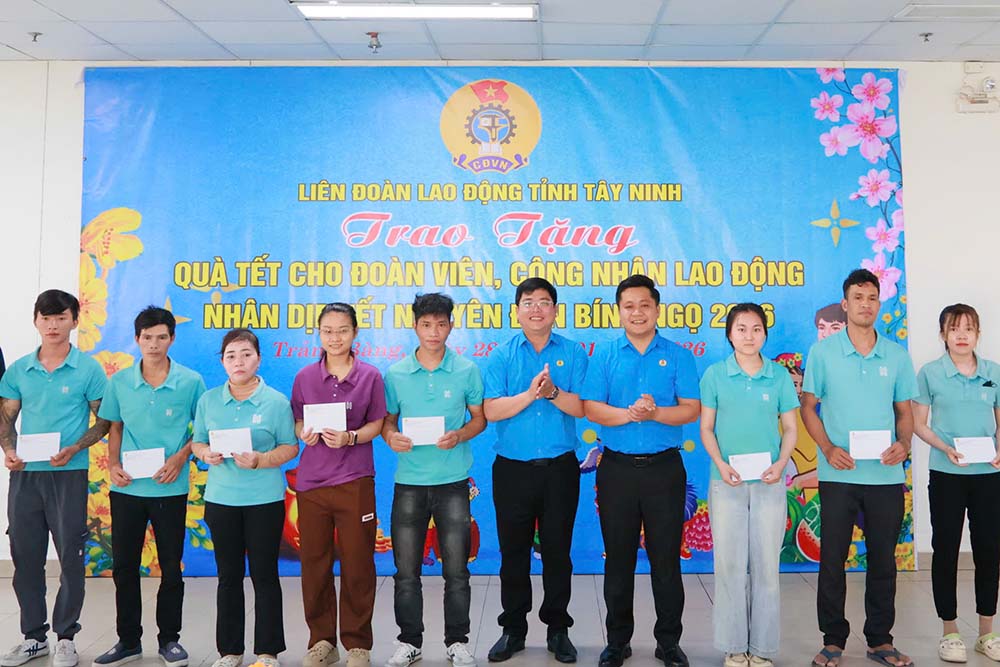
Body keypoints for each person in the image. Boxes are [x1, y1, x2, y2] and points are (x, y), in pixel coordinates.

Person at [580, 274, 700, 667]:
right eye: (628, 306)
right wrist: (628, 415)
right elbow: (591, 408)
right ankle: (618, 641)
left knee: (667, 559)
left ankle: (669, 641)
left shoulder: (679, 355)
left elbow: (691, 409)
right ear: (619, 311)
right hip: (616, 471)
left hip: (665, 470)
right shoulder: (604, 355)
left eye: (644, 305)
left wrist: (655, 413)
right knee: (618, 559)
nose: (637, 312)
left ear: (656, 308)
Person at [801, 269, 918, 667]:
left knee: (883, 559)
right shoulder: (823, 353)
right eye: (857, 297)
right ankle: (833, 639)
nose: (865, 304)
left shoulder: (897, 355)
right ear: (845, 304)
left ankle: (880, 640)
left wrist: (904, 444)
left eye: (872, 297)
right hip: (839, 474)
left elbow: (905, 413)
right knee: (832, 558)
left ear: (878, 304)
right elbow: (808, 407)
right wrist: (828, 448)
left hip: (885, 476)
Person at [0, 289, 110, 667]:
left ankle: (66, 638)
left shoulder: (88, 369)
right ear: (35, 321)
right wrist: (9, 452)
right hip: (26, 477)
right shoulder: (17, 369)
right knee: (25, 558)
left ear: (74, 321)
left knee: (70, 557)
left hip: (69, 474)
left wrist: (76, 448)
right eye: (45, 318)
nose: (52, 324)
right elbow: (6, 419)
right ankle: (34, 638)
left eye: (61, 317)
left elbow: (104, 420)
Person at [482, 278, 588, 664]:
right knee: (513, 553)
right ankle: (513, 629)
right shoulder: (501, 356)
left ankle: (558, 630)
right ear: (517, 310)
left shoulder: (574, 353)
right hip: (512, 471)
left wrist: (554, 393)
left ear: (555, 310)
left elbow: (582, 409)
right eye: (528, 303)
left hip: (560, 469)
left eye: (545, 302)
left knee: (558, 552)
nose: (537, 309)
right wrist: (531, 394)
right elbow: (492, 410)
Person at [93, 307, 206, 667]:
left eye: (161, 337)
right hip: (127, 489)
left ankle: (169, 640)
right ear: (137, 339)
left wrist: (179, 459)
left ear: (172, 338)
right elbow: (115, 426)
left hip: (169, 489)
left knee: (171, 567)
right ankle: (128, 641)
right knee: (124, 567)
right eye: (147, 337)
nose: (154, 344)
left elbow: (201, 431)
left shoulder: (190, 381)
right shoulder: (120, 382)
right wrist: (113, 464)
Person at [381, 293, 486, 667]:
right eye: (426, 324)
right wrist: (391, 436)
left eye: (441, 324)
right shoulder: (395, 374)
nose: (434, 332)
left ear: (451, 326)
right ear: (415, 326)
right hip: (409, 482)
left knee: (456, 570)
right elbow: (387, 421)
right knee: (406, 571)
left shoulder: (466, 370)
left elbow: (479, 418)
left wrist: (460, 435)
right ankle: (409, 641)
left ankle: (457, 641)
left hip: (453, 481)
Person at [191, 328, 299, 667]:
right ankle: (230, 651)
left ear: (259, 359)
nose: (238, 361)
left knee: (265, 575)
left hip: (263, 500)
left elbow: (290, 447)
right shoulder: (208, 400)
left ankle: (267, 651)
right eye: (231, 356)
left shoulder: (276, 402)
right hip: (222, 500)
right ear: (222, 361)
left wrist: (261, 460)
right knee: (228, 575)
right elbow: (196, 441)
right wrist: (205, 452)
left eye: (246, 354)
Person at [699, 304, 798, 667]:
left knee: (766, 567)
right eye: (741, 329)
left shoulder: (779, 377)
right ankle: (733, 646)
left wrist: (782, 463)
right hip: (727, 482)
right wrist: (721, 465)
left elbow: (790, 428)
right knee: (729, 565)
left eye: (756, 329)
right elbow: (706, 429)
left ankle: (763, 649)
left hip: (769, 482)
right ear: (729, 334)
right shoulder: (715, 375)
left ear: (765, 334)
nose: (748, 336)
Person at [291, 304, 387, 667]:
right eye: (328, 331)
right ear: (318, 334)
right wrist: (306, 433)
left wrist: (349, 437)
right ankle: (322, 642)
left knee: (358, 562)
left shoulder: (370, 377)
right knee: (313, 563)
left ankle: (358, 644)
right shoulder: (304, 378)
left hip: (355, 481)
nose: (335, 338)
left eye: (342, 330)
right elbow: (299, 422)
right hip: (312, 483)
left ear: (355, 333)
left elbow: (376, 424)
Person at [912, 303, 1000, 663]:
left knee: (989, 552)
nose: (962, 335)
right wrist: (945, 448)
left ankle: (986, 632)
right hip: (947, 473)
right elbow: (919, 423)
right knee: (945, 550)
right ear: (943, 335)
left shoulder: (993, 372)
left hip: (988, 475)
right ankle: (949, 632)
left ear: (978, 333)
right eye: (954, 328)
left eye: (969, 328)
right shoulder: (930, 373)